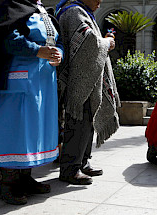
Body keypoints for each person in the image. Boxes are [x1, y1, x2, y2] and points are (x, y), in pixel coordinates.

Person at [0, 0, 63, 205]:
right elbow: (5, 36)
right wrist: (36, 50)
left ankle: (25, 178)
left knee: (32, 131)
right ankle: (7, 183)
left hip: (41, 82)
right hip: (17, 79)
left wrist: (59, 54)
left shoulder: (38, 7)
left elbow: (58, 40)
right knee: (15, 129)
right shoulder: (7, 3)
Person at [56, 0, 120, 185]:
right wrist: (106, 42)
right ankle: (70, 168)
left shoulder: (81, 11)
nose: (100, 2)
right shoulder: (74, 11)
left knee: (87, 122)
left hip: (88, 77)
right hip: (79, 79)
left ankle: (83, 162)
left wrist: (104, 42)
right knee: (78, 122)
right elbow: (88, 41)